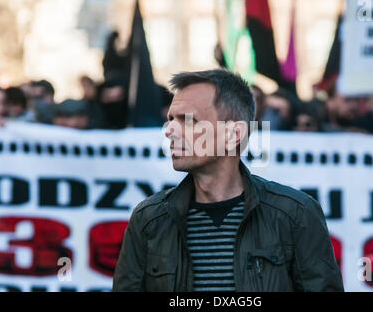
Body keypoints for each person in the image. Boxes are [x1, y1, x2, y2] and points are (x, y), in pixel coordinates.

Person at [113, 69, 343, 292]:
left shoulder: (295, 215)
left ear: (234, 134)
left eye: (188, 120)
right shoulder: (149, 220)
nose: (169, 130)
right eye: (171, 119)